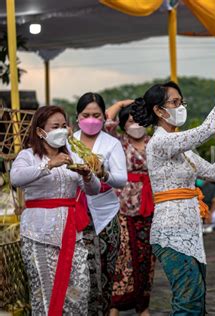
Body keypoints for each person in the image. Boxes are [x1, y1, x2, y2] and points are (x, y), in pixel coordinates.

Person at [131, 81, 215, 315]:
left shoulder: (182, 149)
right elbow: (205, 131)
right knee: (188, 301)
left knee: (196, 299)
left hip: (190, 231)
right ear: (159, 111)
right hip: (171, 231)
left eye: (181, 102)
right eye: (174, 102)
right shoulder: (161, 142)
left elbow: (214, 174)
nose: (180, 106)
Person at [10, 106, 100, 315]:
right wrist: (49, 165)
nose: (61, 130)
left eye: (63, 126)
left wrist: (88, 176)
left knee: (79, 289)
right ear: (41, 132)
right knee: (45, 293)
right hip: (38, 234)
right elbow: (16, 178)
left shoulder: (72, 157)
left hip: (71, 234)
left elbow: (93, 190)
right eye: (55, 127)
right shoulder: (28, 156)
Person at [71, 92, 127, 315]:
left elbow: (121, 179)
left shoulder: (111, 144)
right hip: (74, 213)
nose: (91, 120)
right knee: (78, 273)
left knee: (104, 273)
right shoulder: (68, 143)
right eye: (86, 115)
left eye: (96, 115)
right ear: (77, 117)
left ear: (104, 117)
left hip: (105, 214)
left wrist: (104, 174)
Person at [105, 99, 155, 316]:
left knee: (147, 258)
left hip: (151, 204)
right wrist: (125, 103)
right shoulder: (118, 142)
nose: (135, 124)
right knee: (123, 255)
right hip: (123, 205)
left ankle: (143, 305)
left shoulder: (154, 142)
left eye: (139, 120)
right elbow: (107, 120)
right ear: (124, 124)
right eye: (130, 120)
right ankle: (115, 305)